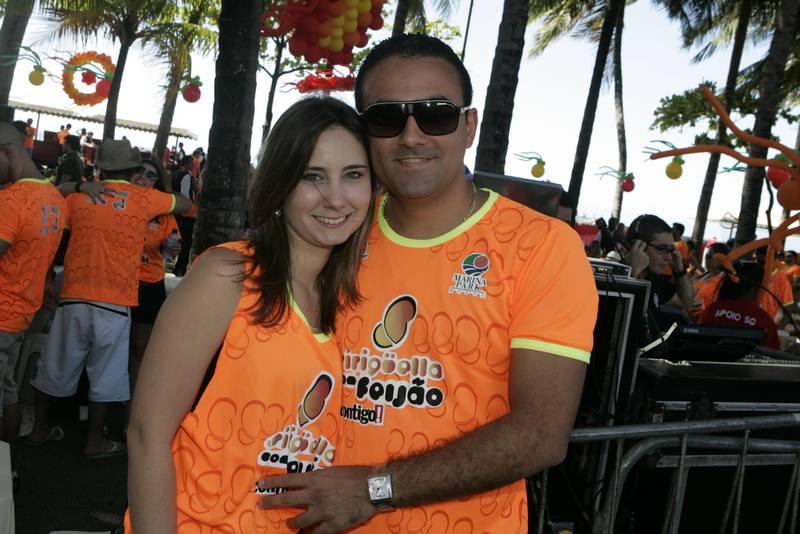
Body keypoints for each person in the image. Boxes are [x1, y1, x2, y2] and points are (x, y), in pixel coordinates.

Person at [256, 34, 598, 533]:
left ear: (469, 126)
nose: (411, 135)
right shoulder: (337, 228)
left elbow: (540, 433)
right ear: (365, 132)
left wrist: (374, 488)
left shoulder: (541, 246)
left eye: (436, 114)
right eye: (387, 117)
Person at [125, 97, 375, 532]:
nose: (336, 198)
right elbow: (147, 435)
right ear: (280, 183)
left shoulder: (349, 299)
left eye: (353, 175)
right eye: (312, 176)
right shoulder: (229, 276)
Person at [25, 139, 192, 458]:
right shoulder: (144, 199)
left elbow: (52, 194)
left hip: (74, 295)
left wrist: (80, 185)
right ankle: (94, 441)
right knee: (106, 374)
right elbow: (184, 204)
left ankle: (38, 429)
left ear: (101, 167)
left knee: (54, 365)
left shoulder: (80, 197)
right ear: (130, 168)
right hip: (115, 302)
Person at [0, 121, 67, 482]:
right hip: (21, 315)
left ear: (6, 152)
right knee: (8, 393)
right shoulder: (54, 199)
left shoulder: (11, 201)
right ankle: (8, 470)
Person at [128, 159, 180, 393]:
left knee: (139, 347)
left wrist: (172, 247)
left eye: (151, 175)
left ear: (156, 184)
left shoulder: (163, 213)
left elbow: (171, 247)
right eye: (139, 171)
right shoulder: (118, 201)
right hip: (118, 282)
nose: (143, 177)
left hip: (149, 285)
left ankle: (131, 400)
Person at [624, 214, 694, 332]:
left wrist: (679, 271)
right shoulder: (614, 278)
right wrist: (633, 275)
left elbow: (686, 301)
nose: (668, 257)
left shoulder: (654, 280)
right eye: (662, 248)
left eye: (670, 250)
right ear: (638, 246)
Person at [699, 262, 780, 349]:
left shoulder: (711, 310)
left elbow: (698, 341)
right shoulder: (764, 321)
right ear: (756, 286)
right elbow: (773, 352)